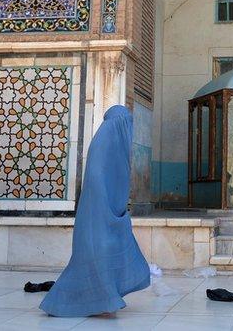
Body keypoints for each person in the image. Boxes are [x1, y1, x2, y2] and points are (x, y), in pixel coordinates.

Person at [39, 105, 150, 317]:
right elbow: (97, 178)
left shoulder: (114, 142)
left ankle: (103, 299)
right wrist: (106, 208)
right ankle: (83, 301)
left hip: (110, 212)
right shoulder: (104, 142)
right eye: (126, 122)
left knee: (106, 254)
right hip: (97, 213)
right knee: (97, 254)